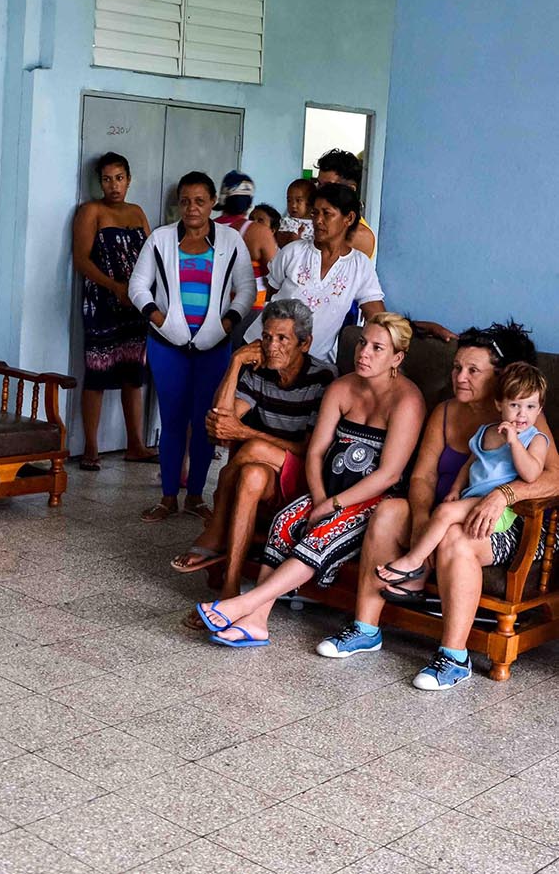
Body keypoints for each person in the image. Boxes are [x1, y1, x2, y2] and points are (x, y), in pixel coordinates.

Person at [321, 322, 559, 690]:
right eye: (456, 367)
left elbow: (554, 477)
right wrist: (420, 521)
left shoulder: (522, 416)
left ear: (499, 378)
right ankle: (366, 627)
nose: (459, 377)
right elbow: (423, 478)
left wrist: (502, 495)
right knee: (388, 512)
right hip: (447, 510)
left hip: (509, 522)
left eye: (472, 371)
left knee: (456, 540)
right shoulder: (445, 411)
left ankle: (454, 657)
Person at [195, 313, 425, 647]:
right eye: (363, 343)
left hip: (375, 500)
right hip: (328, 490)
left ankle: (245, 604)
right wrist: (319, 498)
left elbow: (389, 474)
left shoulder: (408, 400)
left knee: (321, 533)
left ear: (397, 358)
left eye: (377, 348)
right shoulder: (342, 386)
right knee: (286, 521)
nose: (364, 353)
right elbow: (316, 451)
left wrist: (334, 506)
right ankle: (258, 621)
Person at [172, 300, 334, 610]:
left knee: (253, 448)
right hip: (266, 473)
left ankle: (217, 527)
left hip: (305, 476)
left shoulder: (322, 378)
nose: (271, 346)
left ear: (305, 343)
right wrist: (235, 363)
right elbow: (220, 423)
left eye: (282, 338)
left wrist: (245, 433)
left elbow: (311, 450)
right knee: (252, 474)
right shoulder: (259, 371)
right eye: (267, 336)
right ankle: (230, 586)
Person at [128, 171, 256, 523]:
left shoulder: (230, 241)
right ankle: (168, 496)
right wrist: (158, 318)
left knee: (206, 421)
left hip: (214, 346)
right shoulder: (161, 239)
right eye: (185, 201)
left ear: (213, 202)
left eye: (200, 200)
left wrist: (228, 322)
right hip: (166, 345)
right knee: (171, 420)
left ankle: (196, 495)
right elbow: (138, 285)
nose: (192, 208)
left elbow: (247, 288)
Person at [375, 363, 548, 590]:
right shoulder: (487, 431)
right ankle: (417, 581)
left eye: (530, 406)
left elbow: (531, 473)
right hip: (471, 499)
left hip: (503, 509)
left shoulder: (535, 439)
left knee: (443, 514)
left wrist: (514, 442)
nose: (521, 414)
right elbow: (469, 464)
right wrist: (456, 490)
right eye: (514, 405)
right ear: (499, 404)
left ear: (539, 408)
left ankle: (413, 561)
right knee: (442, 527)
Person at [72, 151, 156, 469]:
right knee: (97, 374)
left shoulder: (136, 212)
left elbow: (150, 255)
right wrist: (113, 286)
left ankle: (135, 444)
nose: (114, 185)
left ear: (129, 180)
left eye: (119, 178)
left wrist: (141, 291)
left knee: (132, 375)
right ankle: (91, 448)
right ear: (99, 182)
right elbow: (82, 260)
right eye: (107, 179)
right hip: (102, 304)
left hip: (135, 305)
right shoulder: (90, 211)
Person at [244, 183, 386, 364]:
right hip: (261, 351)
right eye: (315, 213)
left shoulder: (360, 266)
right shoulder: (293, 252)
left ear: (348, 218)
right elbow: (271, 295)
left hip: (310, 364)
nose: (318, 220)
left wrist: (406, 330)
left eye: (327, 213)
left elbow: (377, 316)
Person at [214, 171, 278, 333]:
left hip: (214, 307)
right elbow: (276, 275)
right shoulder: (257, 232)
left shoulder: (208, 228)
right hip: (251, 310)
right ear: (249, 201)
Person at [315, 149, 375, 258]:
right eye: (319, 184)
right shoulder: (314, 217)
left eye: (329, 186)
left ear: (351, 189)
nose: (320, 191)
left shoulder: (361, 235)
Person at [276, 178, 315, 246]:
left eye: (298, 200)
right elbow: (280, 242)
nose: (293, 205)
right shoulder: (286, 221)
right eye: (289, 200)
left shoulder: (316, 222)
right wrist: (292, 239)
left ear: (310, 203)